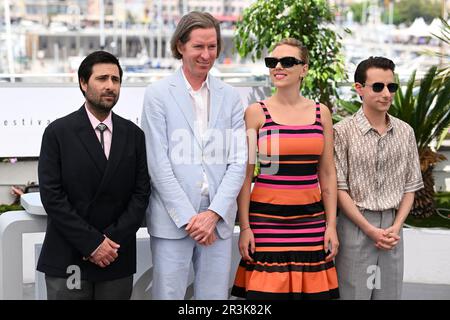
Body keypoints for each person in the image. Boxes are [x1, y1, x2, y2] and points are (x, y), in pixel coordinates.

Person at [141, 11, 247, 300]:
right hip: (173, 219)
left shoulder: (231, 96)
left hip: (218, 219)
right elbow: (157, 164)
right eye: (198, 46)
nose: (206, 54)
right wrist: (191, 219)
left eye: (212, 46)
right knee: (168, 295)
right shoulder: (158, 94)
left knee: (214, 298)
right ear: (180, 46)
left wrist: (212, 214)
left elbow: (238, 162)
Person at [231, 38, 339, 300]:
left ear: (304, 69)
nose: (278, 67)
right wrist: (245, 227)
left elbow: (326, 173)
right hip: (266, 224)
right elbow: (246, 177)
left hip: (311, 223)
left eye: (287, 61)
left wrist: (331, 225)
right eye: (272, 62)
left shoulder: (320, 112)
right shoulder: (256, 113)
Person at [37, 51, 151, 300]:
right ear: (83, 82)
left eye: (116, 79)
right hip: (68, 256)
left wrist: (109, 243)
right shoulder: (58, 132)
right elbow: (52, 196)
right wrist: (92, 244)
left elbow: (141, 194)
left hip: (115, 256)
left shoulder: (134, 135)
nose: (110, 86)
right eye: (102, 79)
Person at [333, 56, 424, 300]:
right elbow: (340, 189)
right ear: (359, 89)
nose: (386, 93)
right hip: (355, 227)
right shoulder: (342, 132)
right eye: (378, 86)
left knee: (389, 296)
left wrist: (396, 226)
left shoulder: (405, 132)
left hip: (393, 229)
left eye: (391, 87)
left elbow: (410, 186)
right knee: (354, 295)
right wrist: (369, 230)